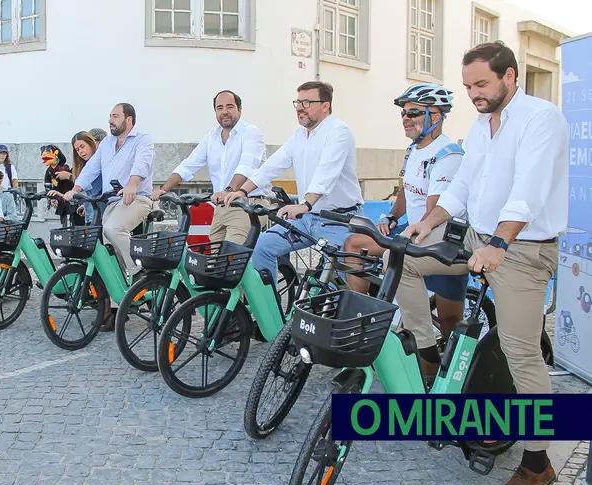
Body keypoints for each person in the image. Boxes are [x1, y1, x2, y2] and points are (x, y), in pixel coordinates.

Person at [395, 41, 567, 485]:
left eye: (482, 84)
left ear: (510, 76)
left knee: (522, 354)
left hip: (522, 250)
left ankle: (537, 464)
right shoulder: (480, 124)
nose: (474, 93)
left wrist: (499, 243)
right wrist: (427, 223)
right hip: (477, 239)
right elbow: (465, 183)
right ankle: (430, 354)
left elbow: (529, 190)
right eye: (468, 85)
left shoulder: (540, 117)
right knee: (404, 265)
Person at [343, 83, 467, 339]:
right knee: (354, 243)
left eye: (413, 113)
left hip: (440, 237)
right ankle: (360, 321)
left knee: (449, 321)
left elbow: (433, 212)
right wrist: (391, 216)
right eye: (404, 113)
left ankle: (439, 360)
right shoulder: (414, 150)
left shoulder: (448, 155)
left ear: (435, 116)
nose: (406, 119)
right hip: (411, 229)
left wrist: (405, 233)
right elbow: (406, 191)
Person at [224, 81, 364, 284]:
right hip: (306, 219)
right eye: (297, 102)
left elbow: (326, 173)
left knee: (338, 284)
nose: (299, 107)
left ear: (325, 105)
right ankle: (270, 311)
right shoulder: (299, 135)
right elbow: (272, 165)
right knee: (262, 247)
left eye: (306, 102)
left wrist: (304, 204)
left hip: (339, 221)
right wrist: (243, 191)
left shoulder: (338, 132)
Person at [51, 103, 155, 330]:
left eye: (115, 116)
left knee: (112, 230)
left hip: (136, 199)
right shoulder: (107, 143)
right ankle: (120, 304)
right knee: (107, 250)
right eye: (110, 116)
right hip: (112, 202)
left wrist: (132, 183)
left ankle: (139, 273)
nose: (111, 120)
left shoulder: (142, 140)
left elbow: (142, 163)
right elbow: (91, 169)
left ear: (129, 120)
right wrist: (74, 189)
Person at [154, 90, 269, 244]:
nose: (225, 112)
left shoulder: (251, 133)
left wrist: (228, 191)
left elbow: (246, 167)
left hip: (248, 205)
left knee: (230, 258)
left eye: (230, 107)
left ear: (239, 109)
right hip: (221, 207)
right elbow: (189, 164)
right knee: (211, 260)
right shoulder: (211, 137)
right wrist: (164, 189)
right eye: (219, 108)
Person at [42, 144, 84, 227]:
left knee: (73, 220)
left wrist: (68, 176)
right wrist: (52, 198)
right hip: (59, 198)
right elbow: (48, 185)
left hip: (70, 198)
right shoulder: (49, 171)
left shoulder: (64, 168)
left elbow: (73, 184)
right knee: (64, 222)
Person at [71, 131, 102, 224]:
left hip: (103, 217)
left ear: (91, 144)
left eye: (82, 146)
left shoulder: (101, 163)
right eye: (77, 149)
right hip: (91, 216)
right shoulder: (83, 167)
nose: (81, 152)